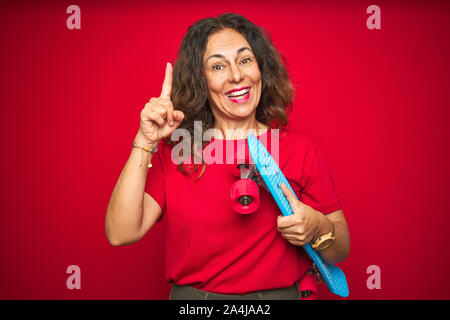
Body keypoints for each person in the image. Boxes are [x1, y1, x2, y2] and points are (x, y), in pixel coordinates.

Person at [105, 13, 350, 300]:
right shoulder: (179, 150)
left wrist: (317, 226)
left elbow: (340, 250)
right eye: (218, 66)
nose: (236, 75)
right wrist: (144, 140)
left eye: (245, 60)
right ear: (201, 80)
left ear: (261, 68)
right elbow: (120, 233)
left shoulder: (301, 149)